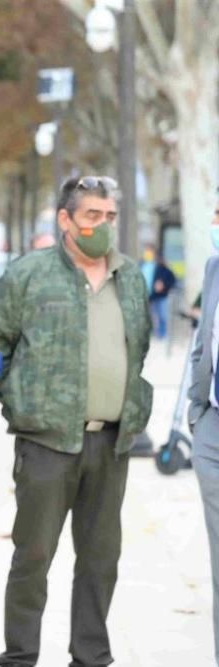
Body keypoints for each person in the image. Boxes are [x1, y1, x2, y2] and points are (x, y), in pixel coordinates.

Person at [0, 176, 152, 667]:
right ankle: (19, 657)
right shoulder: (29, 274)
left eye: (109, 217)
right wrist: (23, 405)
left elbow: (137, 352)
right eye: (92, 216)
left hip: (111, 443)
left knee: (101, 560)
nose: (102, 226)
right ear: (65, 219)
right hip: (46, 444)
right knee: (33, 557)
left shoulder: (131, 278)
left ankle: (91, 656)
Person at [188, 194, 219, 665]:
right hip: (212, 426)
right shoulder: (215, 266)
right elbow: (205, 339)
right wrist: (198, 415)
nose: (214, 221)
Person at [142, 244, 178, 339]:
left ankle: (162, 335)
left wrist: (163, 285)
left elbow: (172, 279)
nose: (147, 254)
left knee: (162, 315)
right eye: (146, 251)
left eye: (149, 252)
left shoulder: (161, 266)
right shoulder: (141, 265)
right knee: (147, 317)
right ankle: (149, 334)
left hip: (160, 296)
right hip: (145, 296)